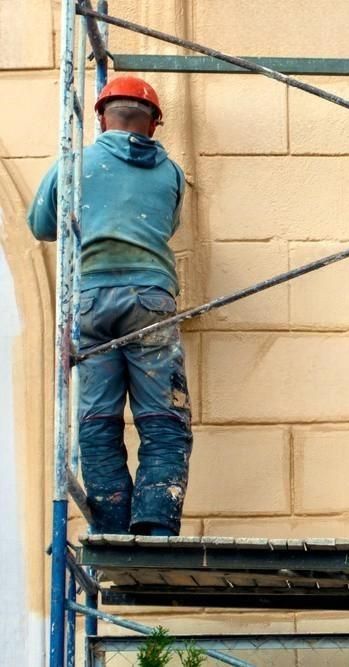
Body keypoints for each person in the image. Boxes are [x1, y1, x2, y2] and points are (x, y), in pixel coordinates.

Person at [28, 76, 191, 537]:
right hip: (150, 300)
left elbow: (41, 225)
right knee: (163, 417)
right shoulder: (171, 173)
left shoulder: (74, 163)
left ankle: (112, 529)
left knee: (98, 419)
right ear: (153, 126)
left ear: (101, 118)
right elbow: (167, 226)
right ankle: (155, 522)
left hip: (90, 303)